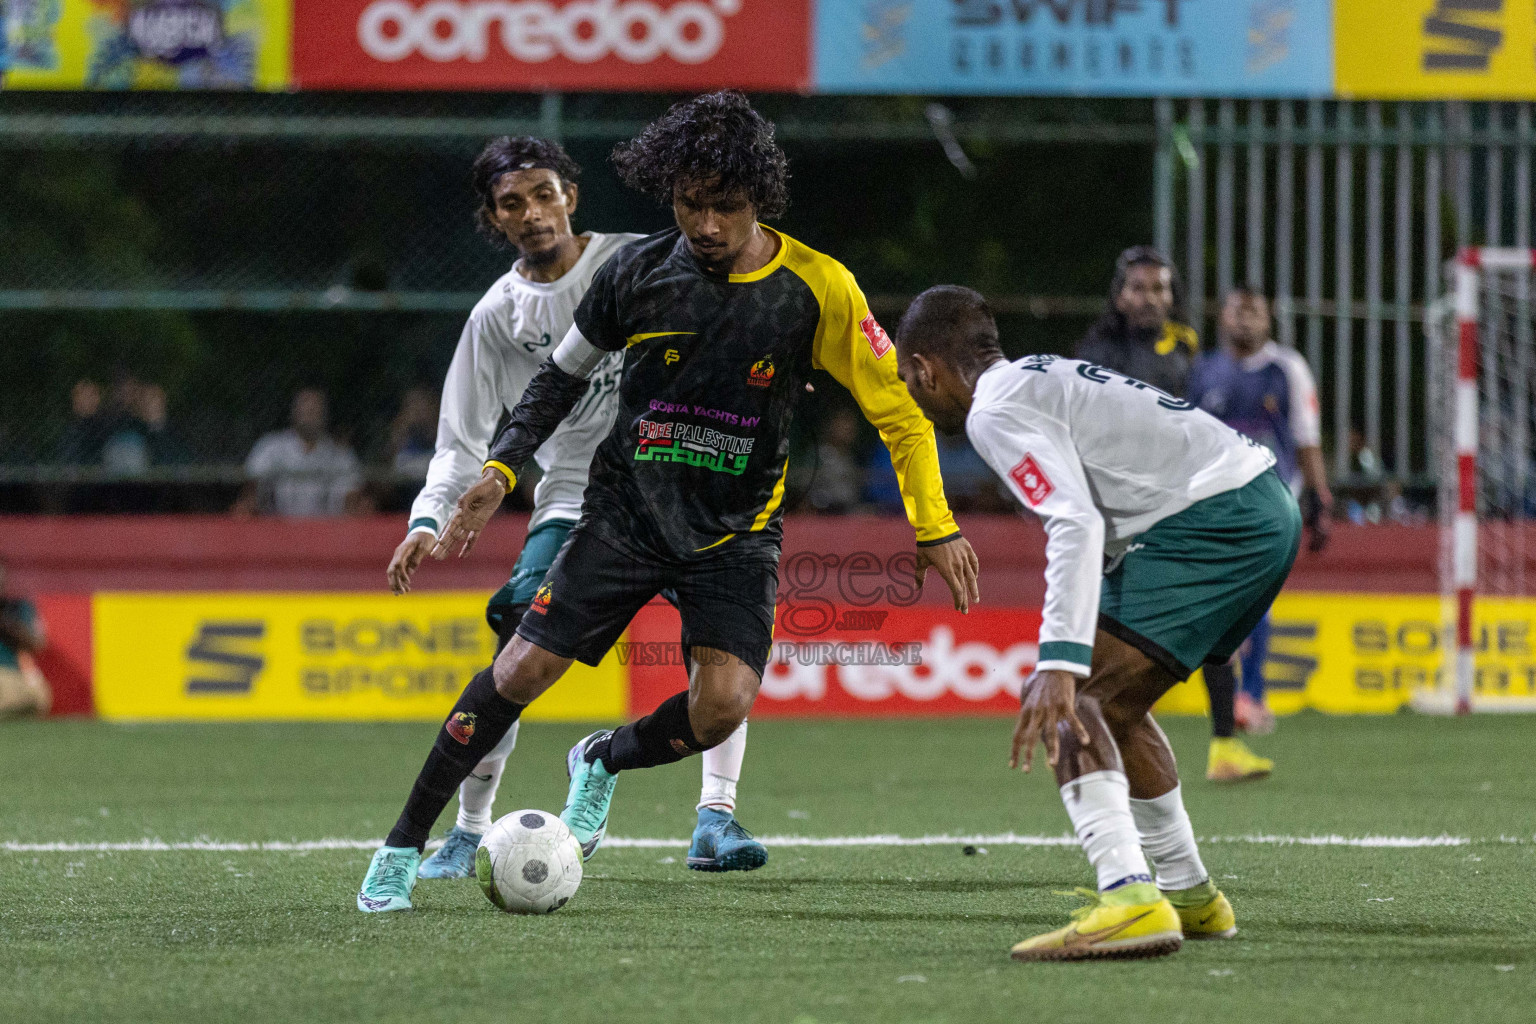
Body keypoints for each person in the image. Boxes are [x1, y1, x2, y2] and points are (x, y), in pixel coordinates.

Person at [357, 91, 980, 913]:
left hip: (735, 532)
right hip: (623, 516)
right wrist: (502, 472)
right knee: (518, 668)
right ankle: (400, 851)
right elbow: (557, 381)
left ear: (761, 199)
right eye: (691, 204)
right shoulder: (635, 271)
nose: (708, 225)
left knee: (721, 708)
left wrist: (932, 524)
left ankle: (603, 759)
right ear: (670, 195)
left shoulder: (819, 288)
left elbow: (898, 414)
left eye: (726, 207)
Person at [384, 136, 767, 882]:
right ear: (492, 218)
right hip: (578, 502)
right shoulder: (497, 316)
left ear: (572, 197)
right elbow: (461, 440)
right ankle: (468, 830)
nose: (532, 214)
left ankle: (715, 818)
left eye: (544, 195)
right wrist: (427, 520)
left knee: (718, 651)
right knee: (513, 632)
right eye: (511, 203)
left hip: (690, 487)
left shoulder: (642, 260)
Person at [895, 285, 1297, 961]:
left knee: (1072, 703)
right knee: (1119, 708)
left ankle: (1130, 898)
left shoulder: (994, 412)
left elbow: (1073, 520)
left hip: (1214, 521)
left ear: (927, 369)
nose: (913, 395)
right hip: (1254, 506)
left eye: (910, 380)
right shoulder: (1034, 377)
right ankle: (1191, 897)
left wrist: (1058, 659)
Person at [1077, 247, 1267, 782]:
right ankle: (1109, 731)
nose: (1150, 298)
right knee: (1113, 623)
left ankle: (1225, 745)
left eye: (1160, 288)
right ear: (1119, 295)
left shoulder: (1186, 346)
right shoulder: (1098, 351)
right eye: (1139, 288)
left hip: (1177, 499)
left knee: (1215, 614)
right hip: (1119, 507)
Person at [1188, 289, 1333, 738]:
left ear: (1269, 320)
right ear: (1222, 317)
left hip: (1271, 498)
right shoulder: (1203, 371)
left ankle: (1250, 696)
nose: (1246, 320)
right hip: (1213, 500)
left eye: (1255, 311)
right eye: (1238, 310)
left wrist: (1319, 499)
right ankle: (1236, 696)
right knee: (1223, 600)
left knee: (1256, 596)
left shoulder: (1287, 368)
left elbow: (1305, 436)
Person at [233, 389, 362, 517]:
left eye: (314, 410)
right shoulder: (271, 446)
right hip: (277, 528)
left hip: (327, 529)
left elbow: (351, 498)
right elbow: (252, 488)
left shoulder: (340, 454)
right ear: (294, 413)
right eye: (306, 409)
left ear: (324, 415)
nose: (310, 415)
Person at [0, 561, 51, 719]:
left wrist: (6, 624)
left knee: (40, 698)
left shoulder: (18, 608)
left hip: (14, 675)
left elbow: (38, 643)